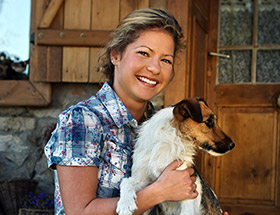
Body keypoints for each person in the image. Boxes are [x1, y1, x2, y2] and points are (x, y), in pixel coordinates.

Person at [44, 8, 229, 215]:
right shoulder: (82, 121)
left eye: (165, 60)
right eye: (144, 53)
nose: (154, 68)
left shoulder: (163, 126)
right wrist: (159, 192)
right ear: (116, 55)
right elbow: (79, 212)